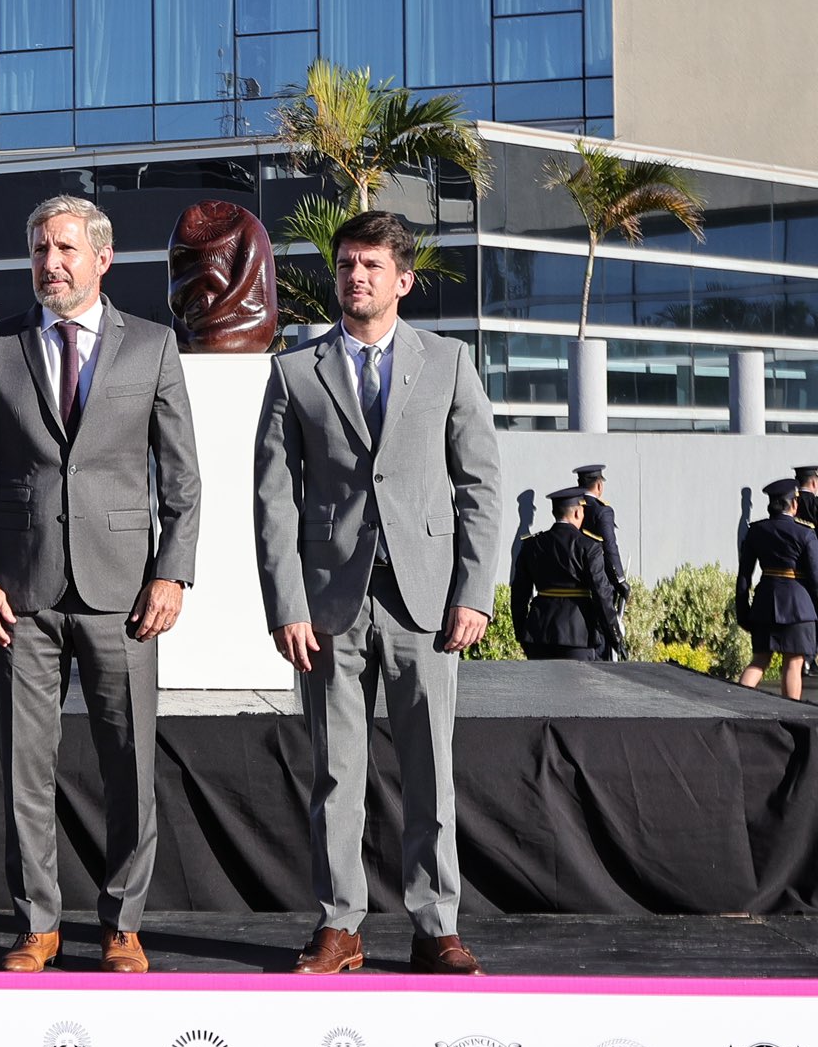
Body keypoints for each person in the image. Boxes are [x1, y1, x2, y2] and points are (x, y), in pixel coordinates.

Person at [0, 194, 201, 975]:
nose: (49, 263)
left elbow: (181, 476)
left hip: (124, 595)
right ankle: (38, 925)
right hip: (18, 596)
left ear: (102, 256)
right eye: (39, 250)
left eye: (64, 249)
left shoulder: (152, 346)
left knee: (129, 766)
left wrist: (172, 572)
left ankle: (122, 925)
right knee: (25, 767)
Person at [252, 209, 502, 977]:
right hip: (330, 602)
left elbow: (480, 484)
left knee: (430, 770)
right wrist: (287, 605)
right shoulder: (295, 371)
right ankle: (340, 925)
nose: (355, 276)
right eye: (346, 264)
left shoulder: (449, 363)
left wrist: (474, 592)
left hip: (426, 602)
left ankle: (436, 927)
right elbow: (273, 499)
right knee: (337, 772)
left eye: (370, 265)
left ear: (403, 281)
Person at [510, 488, 623, 661]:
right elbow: (602, 593)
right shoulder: (589, 546)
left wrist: (522, 632)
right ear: (577, 512)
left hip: (539, 632)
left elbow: (519, 593)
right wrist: (615, 636)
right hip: (578, 633)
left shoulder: (532, 545)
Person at [736, 477, 818, 703]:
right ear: (794, 504)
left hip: (765, 604)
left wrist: (742, 611)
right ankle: (791, 715)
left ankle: (734, 706)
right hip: (799, 608)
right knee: (793, 662)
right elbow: (815, 578)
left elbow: (744, 576)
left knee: (759, 660)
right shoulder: (805, 533)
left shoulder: (756, 531)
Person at [572, 463, 628, 659]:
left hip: (575, 581)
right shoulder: (602, 511)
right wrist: (620, 579)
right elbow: (610, 547)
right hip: (600, 579)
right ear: (599, 485)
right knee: (602, 633)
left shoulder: (572, 507)